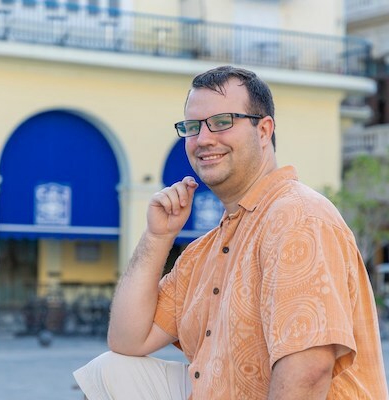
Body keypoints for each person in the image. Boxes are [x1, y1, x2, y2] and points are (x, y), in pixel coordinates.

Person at [74, 65, 388, 399]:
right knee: (110, 370)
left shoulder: (297, 216)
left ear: (263, 130)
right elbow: (127, 340)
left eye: (222, 122)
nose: (203, 139)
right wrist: (157, 238)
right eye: (193, 126)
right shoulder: (206, 249)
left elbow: (308, 372)